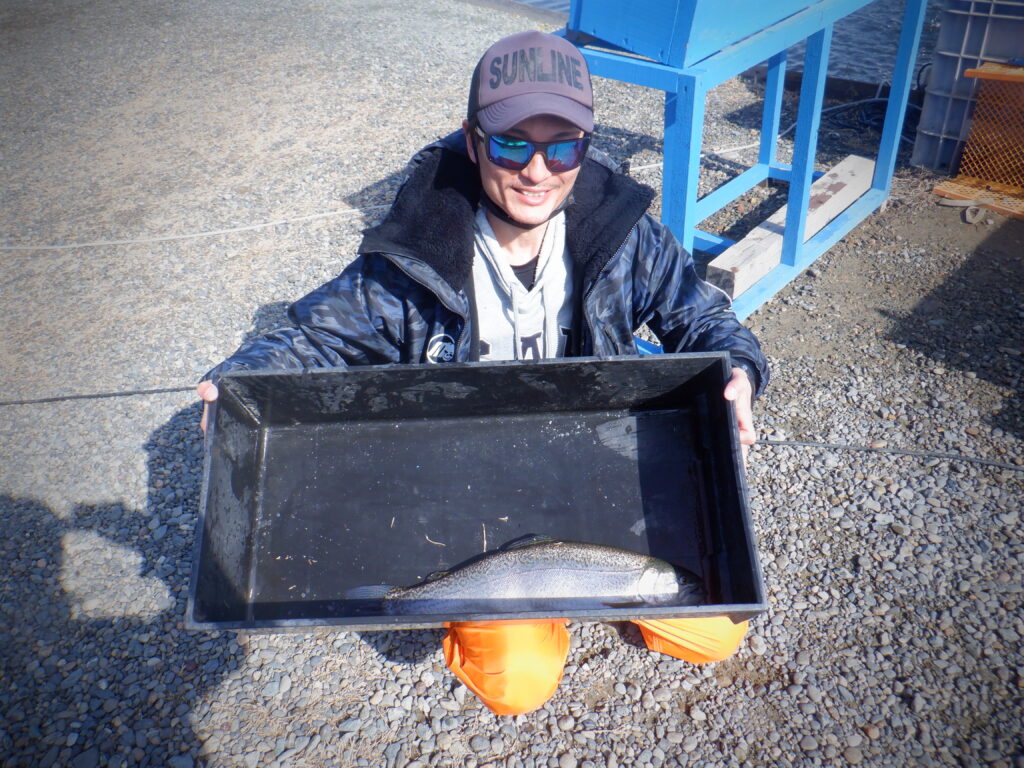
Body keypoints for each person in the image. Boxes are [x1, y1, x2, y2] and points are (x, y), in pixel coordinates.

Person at [197, 30, 769, 716]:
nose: (537, 170)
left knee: (715, 635)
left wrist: (740, 371)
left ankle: (586, 598)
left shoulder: (627, 235)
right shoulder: (415, 253)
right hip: (469, 492)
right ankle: (474, 604)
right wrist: (239, 381)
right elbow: (313, 336)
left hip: (595, 475)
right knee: (518, 682)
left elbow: (705, 320)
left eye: (563, 147)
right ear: (473, 143)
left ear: (586, 149)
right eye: (510, 145)